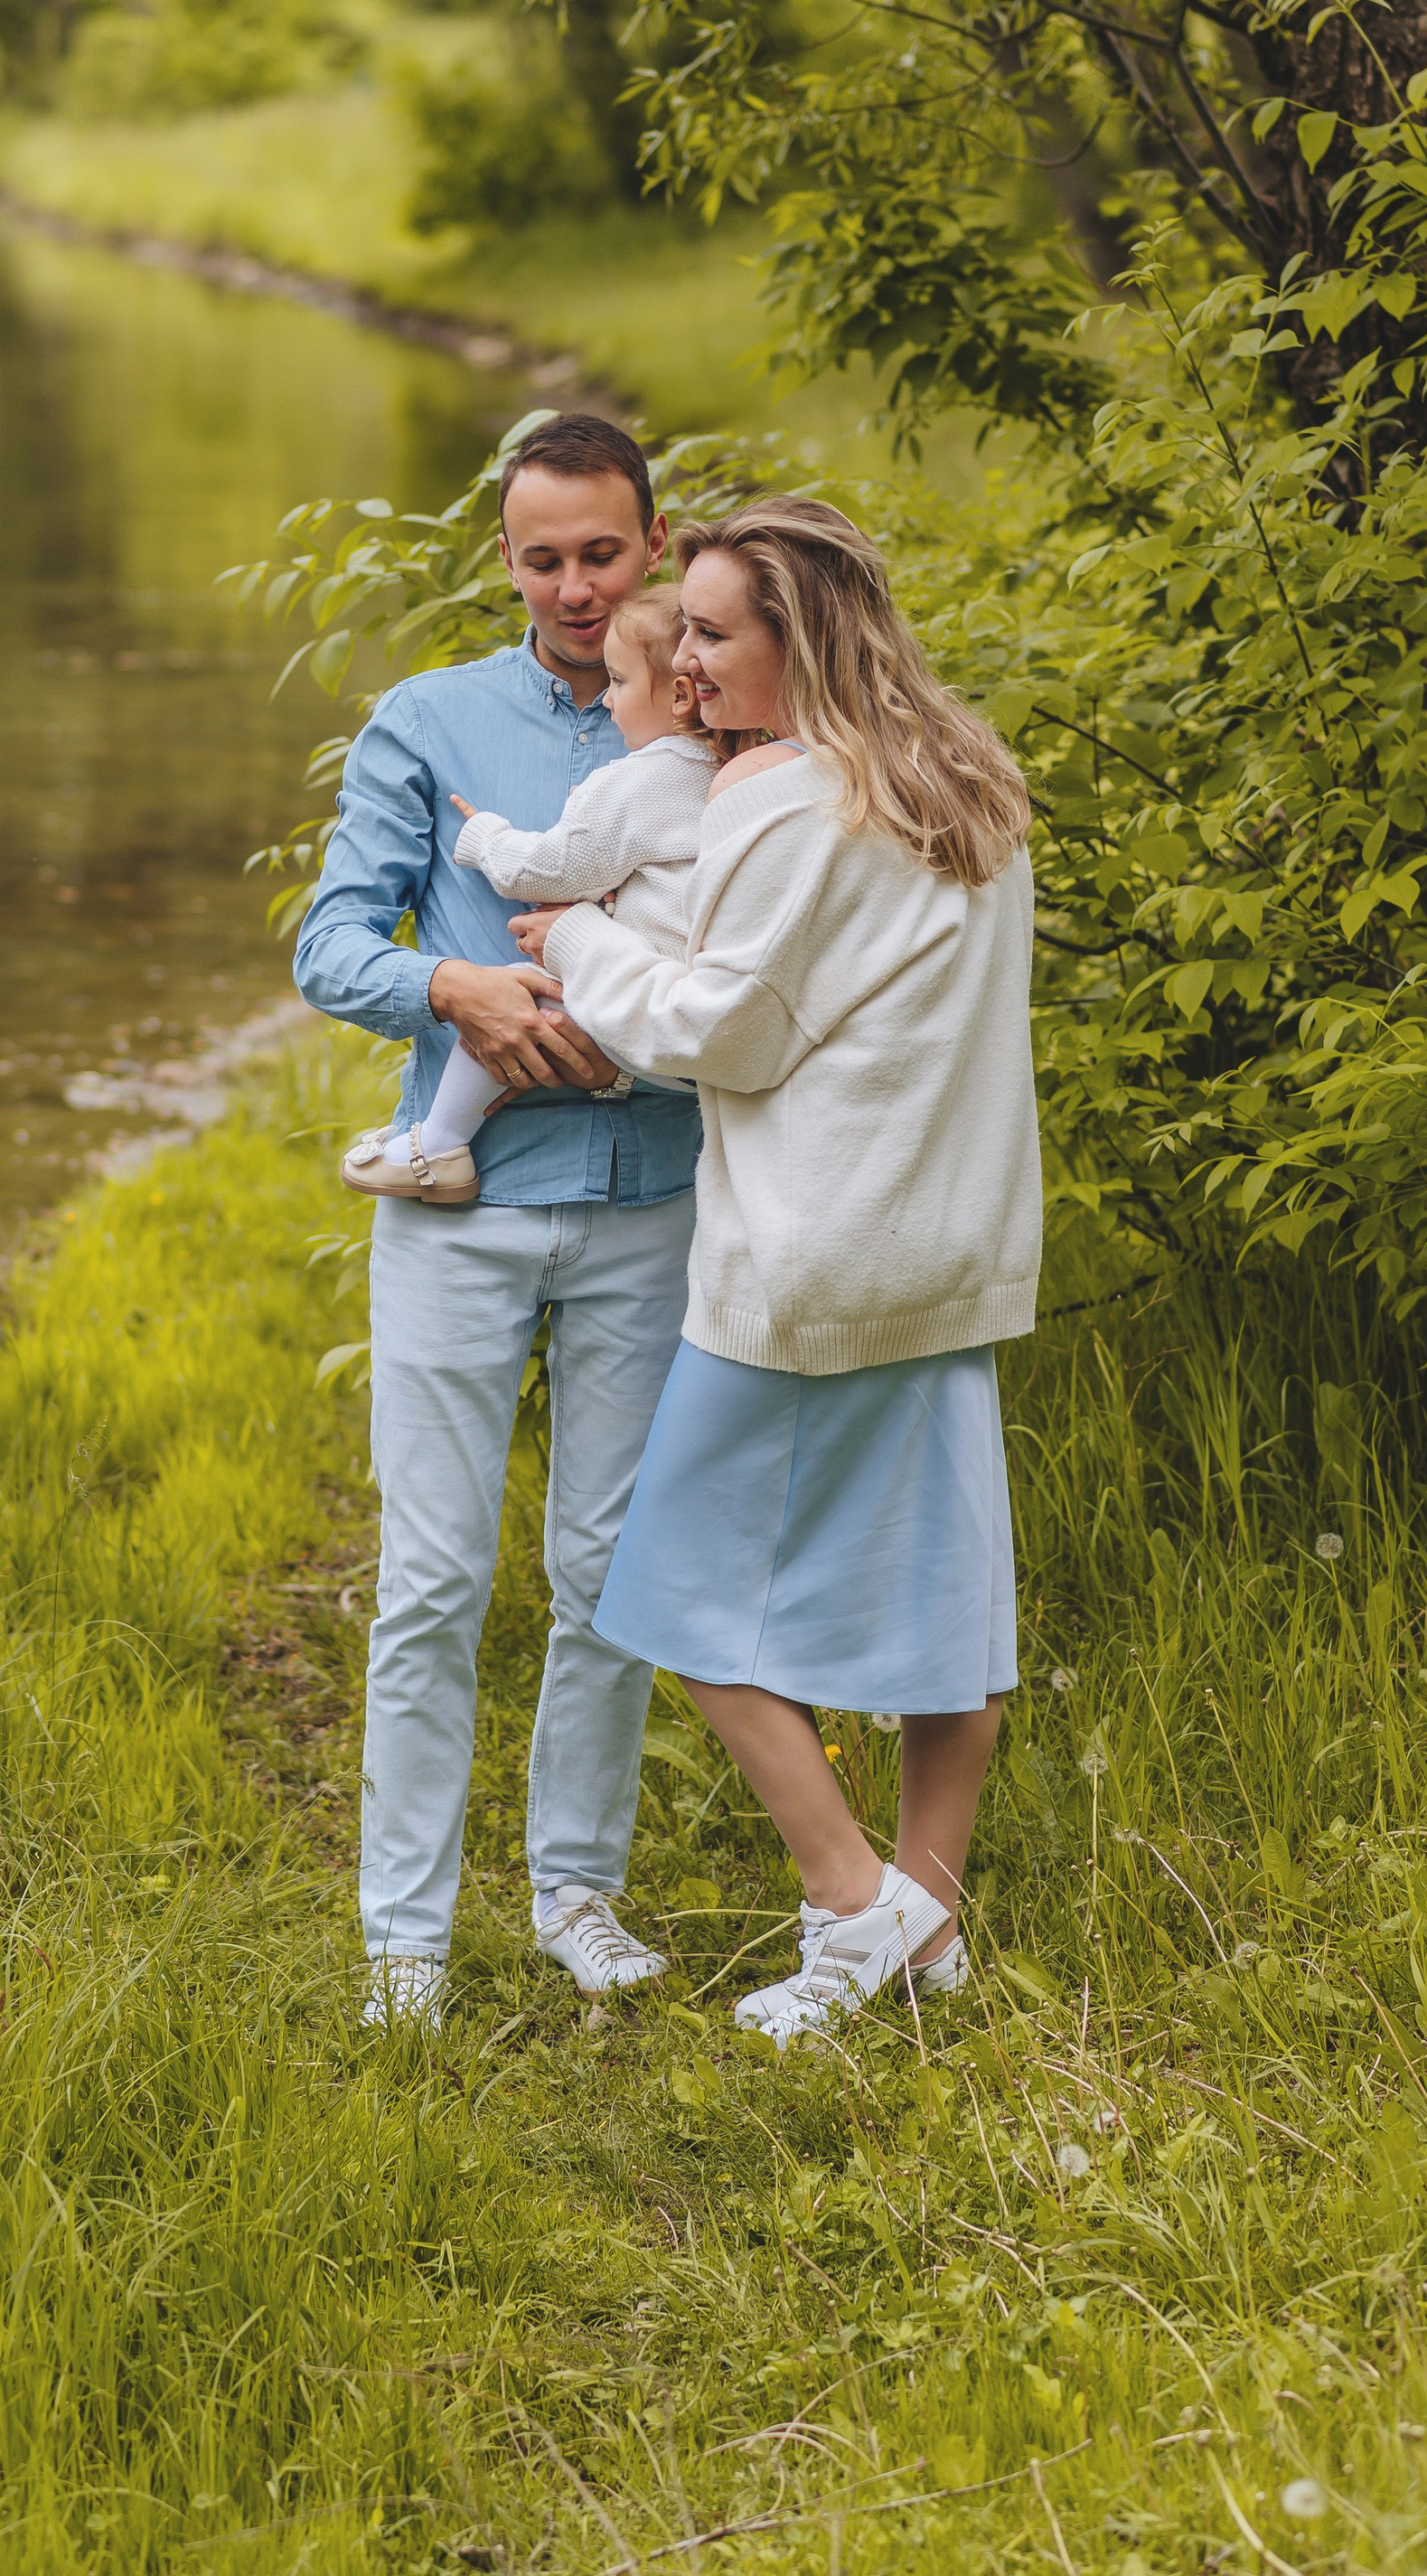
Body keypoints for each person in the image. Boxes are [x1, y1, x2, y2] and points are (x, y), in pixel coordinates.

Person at [510, 494, 1041, 2051]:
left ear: (797, 643)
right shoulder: (966, 779)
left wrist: (577, 938)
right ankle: (929, 1924)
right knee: (945, 1599)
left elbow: (715, 1031)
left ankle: (851, 1899)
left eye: (713, 634)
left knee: (667, 1592)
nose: (682, 663)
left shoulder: (790, 799)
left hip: (811, 1260)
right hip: (947, 1245)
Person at [293, 415, 701, 2026]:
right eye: (545, 558)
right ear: (507, 559)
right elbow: (332, 942)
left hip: (653, 1196)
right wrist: (449, 983)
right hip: (460, 1213)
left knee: (609, 1570)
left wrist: (653, 1028)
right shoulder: (429, 718)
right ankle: (404, 1937)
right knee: (432, 1578)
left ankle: (576, 1894)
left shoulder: (724, 712)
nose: (577, 586)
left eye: (603, 552)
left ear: (653, 541)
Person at [340, 583, 716, 1204]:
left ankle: (439, 1143)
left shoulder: (640, 777)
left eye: (619, 682)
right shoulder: (728, 771)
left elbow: (553, 869)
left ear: (679, 695)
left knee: (519, 1003)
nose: (610, 701)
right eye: (544, 562)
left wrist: (484, 836)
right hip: (690, 1022)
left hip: (631, 999)